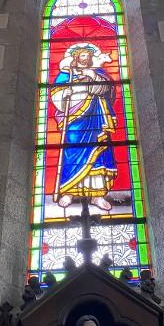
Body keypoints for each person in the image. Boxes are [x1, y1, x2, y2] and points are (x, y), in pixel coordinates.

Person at [51, 44, 117, 211]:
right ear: (76, 57)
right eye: (83, 55)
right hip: (74, 117)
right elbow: (55, 93)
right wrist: (63, 95)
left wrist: (93, 76)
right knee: (72, 148)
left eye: (88, 55)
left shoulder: (98, 72)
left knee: (98, 150)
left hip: (96, 117)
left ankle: (97, 195)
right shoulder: (66, 73)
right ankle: (69, 192)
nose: (86, 58)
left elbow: (107, 90)